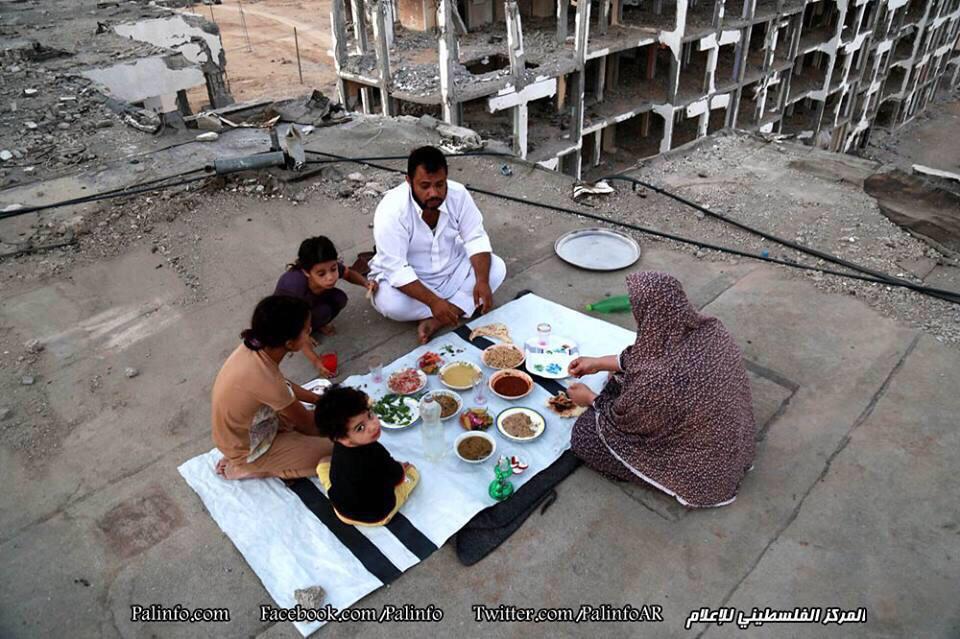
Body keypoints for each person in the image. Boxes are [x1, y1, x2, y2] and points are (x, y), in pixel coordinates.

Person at [565, 272, 756, 508]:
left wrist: (590, 398)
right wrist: (596, 362)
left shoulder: (657, 379)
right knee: (622, 378)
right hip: (733, 440)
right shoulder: (710, 328)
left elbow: (625, 422)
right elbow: (645, 355)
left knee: (585, 436)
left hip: (705, 470)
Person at [368, 145, 507, 344]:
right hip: (413, 280)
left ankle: (439, 319)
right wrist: (433, 301)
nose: (434, 192)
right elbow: (396, 269)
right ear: (409, 181)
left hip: (452, 269)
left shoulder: (458, 194)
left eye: (440, 184)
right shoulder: (391, 210)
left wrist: (482, 280)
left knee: (497, 268)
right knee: (389, 303)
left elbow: (475, 238)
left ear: (446, 178)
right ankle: (456, 306)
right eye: (425, 186)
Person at [211, 295, 332, 480]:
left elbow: (284, 386)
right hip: (248, 449)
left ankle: (250, 460)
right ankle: (256, 469)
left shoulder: (254, 348)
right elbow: (309, 426)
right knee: (340, 452)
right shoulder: (266, 380)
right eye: (306, 331)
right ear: (290, 344)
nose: (310, 331)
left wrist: (317, 400)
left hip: (245, 432)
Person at [313, 385, 419, 526]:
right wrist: (401, 468)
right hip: (374, 515)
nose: (373, 425)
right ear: (343, 438)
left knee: (325, 463)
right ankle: (386, 516)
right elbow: (394, 475)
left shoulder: (340, 445)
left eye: (369, 415)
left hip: (340, 507)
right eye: (360, 428)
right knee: (413, 473)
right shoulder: (374, 453)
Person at [275, 236, 377, 376]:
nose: (330, 277)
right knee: (299, 329)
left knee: (340, 298)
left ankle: (315, 325)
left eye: (333, 269)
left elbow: (347, 273)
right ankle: (309, 330)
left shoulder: (328, 266)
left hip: (312, 304)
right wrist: (316, 360)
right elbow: (293, 325)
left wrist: (365, 283)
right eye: (321, 274)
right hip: (287, 318)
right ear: (306, 272)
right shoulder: (293, 288)